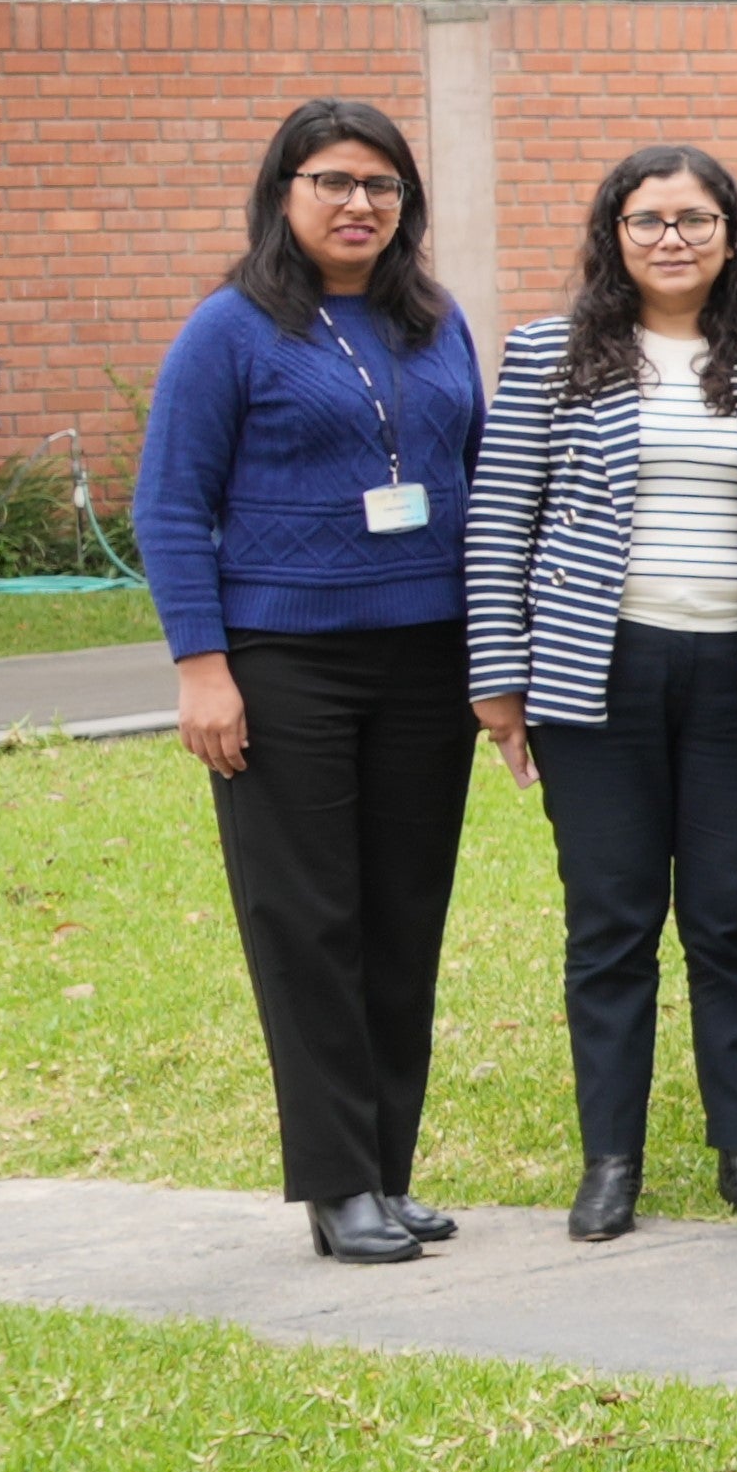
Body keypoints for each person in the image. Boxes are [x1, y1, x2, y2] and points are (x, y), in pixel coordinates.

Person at [461, 145, 737, 1237]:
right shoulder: (548, 352)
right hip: (595, 676)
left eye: (693, 217)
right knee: (612, 922)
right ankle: (611, 1162)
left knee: (732, 915)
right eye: (646, 219)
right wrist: (497, 679)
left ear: (732, 232)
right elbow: (499, 523)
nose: (670, 237)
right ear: (612, 234)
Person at [144, 100, 493, 1265]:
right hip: (283, 662)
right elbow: (172, 503)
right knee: (308, 920)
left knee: (404, 914)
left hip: (426, 655)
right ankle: (337, 1182)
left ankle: (389, 1170)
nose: (360, 204)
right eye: (334, 180)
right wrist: (204, 667)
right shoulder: (230, 329)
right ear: (283, 191)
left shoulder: (434, 322)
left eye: (384, 186)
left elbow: (476, 477)